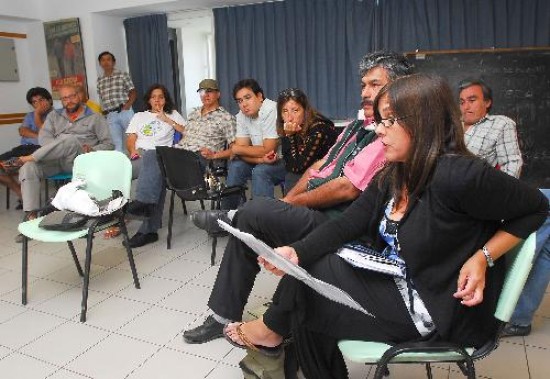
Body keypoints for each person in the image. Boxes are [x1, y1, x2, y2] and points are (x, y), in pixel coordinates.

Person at [221, 74, 548, 378]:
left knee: (309, 294)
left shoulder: (459, 175)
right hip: (402, 280)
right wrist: (295, 251)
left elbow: (537, 208)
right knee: (308, 277)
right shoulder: (395, 171)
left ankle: (271, 330)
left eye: (390, 121)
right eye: (380, 121)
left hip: (437, 307)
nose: (379, 130)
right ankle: (275, 332)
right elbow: (349, 223)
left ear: (424, 122)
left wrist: (483, 257)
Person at [183, 51, 411, 345]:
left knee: (255, 209)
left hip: (340, 222)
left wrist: (286, 205)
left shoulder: (390, 135)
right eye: (363, 85)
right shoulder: (357, 127)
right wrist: (285, 202)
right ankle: (222, 317)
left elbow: (347, 188)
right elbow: (317, 167)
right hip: (321, 212)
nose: (365, 93)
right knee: (248, 225)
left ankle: (232, 217)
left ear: (400, 88)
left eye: (374, 85)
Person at [124, 79, 236, 248]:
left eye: (210, 91)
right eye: (202, 92)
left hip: (198, 160)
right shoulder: (193, 113)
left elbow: (236, 149)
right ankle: (148, 228)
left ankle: (145, 211)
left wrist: (215, 154)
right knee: (155, 162)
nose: (206, 95)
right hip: (179, 155)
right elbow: (185, 133)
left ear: (218, 94)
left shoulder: (226, 117)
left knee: (154, 157)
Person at [16, 84, 113, 215]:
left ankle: (32, 156)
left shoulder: (95, 117)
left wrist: (93, 149)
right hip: (54, 160)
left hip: (79, 160)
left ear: (78, 96)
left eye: (72, 96)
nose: (69, 100)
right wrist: (59, 146)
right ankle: (31, 215)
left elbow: (109, 144)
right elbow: (44, 139)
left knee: (70, 139)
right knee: (28, 167)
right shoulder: (54, 116)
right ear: (61, 101)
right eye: (65, 98)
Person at [222, 79, 286, 209]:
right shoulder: (241, 116)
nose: (244, 104)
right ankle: (229, 216)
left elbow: (268, 150)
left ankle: (259, 219)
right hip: (261, 160)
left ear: (260, 96)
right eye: (239, 101)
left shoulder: (271, 109)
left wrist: (237, 149)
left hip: (283, 161)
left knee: (260, 171)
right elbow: (239, 153)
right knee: (236, 166)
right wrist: (259, 158)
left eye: (247, 98)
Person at [501, 189, 550, 337]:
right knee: (545, 256)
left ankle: (500, 313)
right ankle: (520, 321)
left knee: (525, 254)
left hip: (540, 190)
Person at [0, 87, 53, 208]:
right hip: (23, 148)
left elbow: (46, 135)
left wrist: (37, 115)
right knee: (2, 165)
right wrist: (38, 134)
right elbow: (22, 131)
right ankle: (21, 193)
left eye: (41, 100)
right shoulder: (29, 116)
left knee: (18, 165)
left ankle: (29, 199)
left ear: (49, 100)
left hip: (40, 150)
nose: (38, 104)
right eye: (34, 102)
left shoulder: (55, 115)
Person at [276, 88, 338, 191]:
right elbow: (289, 163)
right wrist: (288, 136)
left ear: (305, 111)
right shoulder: (294, 127)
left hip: (328, 171)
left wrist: (290, 136)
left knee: (292, 177)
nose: (290, 117)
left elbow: (297, 168)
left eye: (295, 110)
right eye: (285, 111)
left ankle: (288, 205)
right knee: (263, 171)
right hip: (305, 167)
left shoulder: (319, 129)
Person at [458, 78, 522, 178]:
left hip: (474, 188)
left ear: (487, 102)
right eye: (462, 102)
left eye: (472, 100)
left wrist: (500, 192)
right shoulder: (450, 125)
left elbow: (511, 164)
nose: (466, 107)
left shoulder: (500, 124)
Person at [96, 51, 136, 152]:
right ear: (100, 63)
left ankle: (138, 164)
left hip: (125, 112)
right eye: (103, 60)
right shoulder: (100, 80)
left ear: (113, 62)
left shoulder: (122, 75)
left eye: (108, 59)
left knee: (133, 140)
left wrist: (128, 105)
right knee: (116, 145)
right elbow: (102, 98)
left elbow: (133, 92)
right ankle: (120, 166)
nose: (106, 62)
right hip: (111, 115)